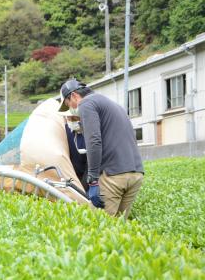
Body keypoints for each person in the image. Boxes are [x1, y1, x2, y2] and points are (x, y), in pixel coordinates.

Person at [58, 79, 144, 219]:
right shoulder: (112, 104)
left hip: (114, 176)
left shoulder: (86, 104)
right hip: (135, 174)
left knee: (98, 227)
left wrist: (93, 180)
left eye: (68, 104)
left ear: (74, 95)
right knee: (118, 229)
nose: (71, 109)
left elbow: (94, 141)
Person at [60, 110, 88, 191]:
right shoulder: (66, 131)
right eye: (69, 118)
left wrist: (83, 187)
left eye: (75, 118)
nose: (72, 121)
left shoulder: (90, 132)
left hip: (89, 175)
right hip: (72, 174)